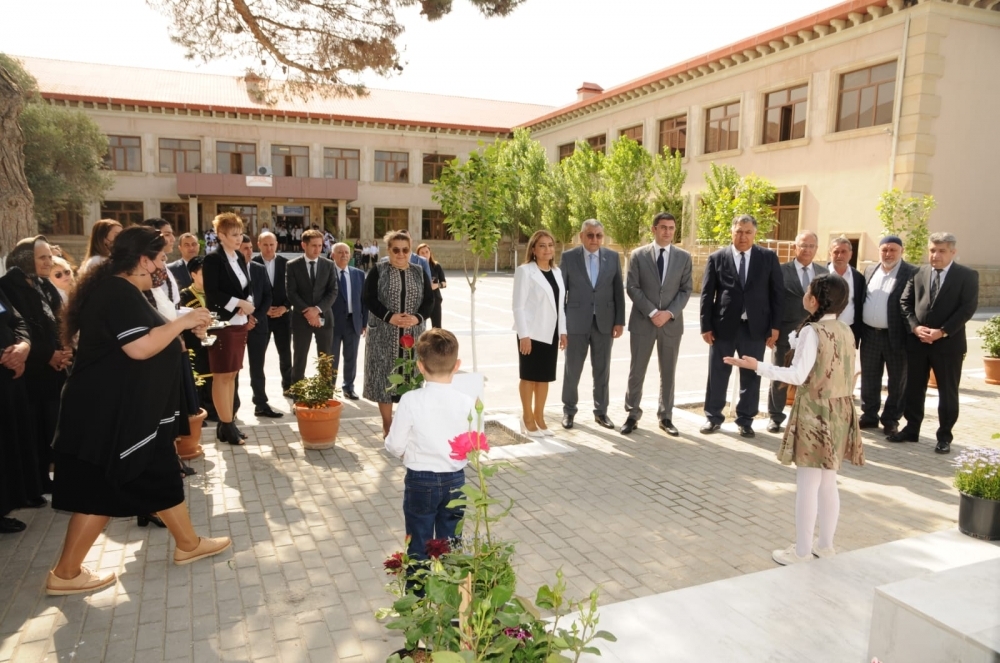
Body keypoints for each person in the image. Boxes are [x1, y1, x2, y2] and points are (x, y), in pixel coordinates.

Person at [47, 226, 229, 596]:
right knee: (104, 489)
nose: (164, 266)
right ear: (143, 260)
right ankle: (65, 574)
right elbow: (139, 348)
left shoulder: (121, 289)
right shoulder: (117, 291)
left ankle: (188, 544)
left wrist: (180, 328)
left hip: (128, 413)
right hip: (110, 415)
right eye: (161, 258)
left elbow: (147, 338)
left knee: (156, 475)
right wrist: (182, 322)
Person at [725, 274, 864, 565]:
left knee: (808, 484)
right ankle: (825, 545)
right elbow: (851, 371)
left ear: (813, 300)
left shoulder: (813, 331)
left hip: (815, 412)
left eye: (808, 290)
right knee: (828, 482)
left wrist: (757, 365)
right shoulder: (845, 329)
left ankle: (801, 552)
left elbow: (798, 375)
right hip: (840, 410)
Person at [384, 329, 475, 562]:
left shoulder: (411, 400)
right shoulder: (467, 402)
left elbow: (394, 444)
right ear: (457, 365)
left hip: (420, 479)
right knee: (451, 543)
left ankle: (419, 584)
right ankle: (450, 582)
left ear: (420, 366)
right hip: (455, 478)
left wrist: (405, 455)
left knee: (418, 543)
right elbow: (474, 442)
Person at [890, 233, 980, 454]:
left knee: (947, 392)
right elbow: (905, 302)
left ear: (952, 252)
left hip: (948, 346)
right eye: (932, 250)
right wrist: (914, 327)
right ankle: (912, 429)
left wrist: (943, 332)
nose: (935, 255)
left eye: (941, 251)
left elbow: (967, 309)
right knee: (913, 389)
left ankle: (944, 436)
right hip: (918, 343)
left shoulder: (967, 276)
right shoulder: (918, 273)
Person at [0, 236, 73, 495]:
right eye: (42, 257)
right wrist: (48, 355)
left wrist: (65, 349)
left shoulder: (44, 284)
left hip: (54, 367)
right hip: (31, 370)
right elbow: (21, 327)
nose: (48, 262)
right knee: (34, 430)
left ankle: (49, 479)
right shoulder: (9, 286)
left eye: (49, 256)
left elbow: (58, 319)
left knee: (52, 425)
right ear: (24, 259)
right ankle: (35, 484)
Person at [700, 214, 783, 437]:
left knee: (751, 375)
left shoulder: (768, 257)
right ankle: (713, 417)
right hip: (723, 328)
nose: (743, 236)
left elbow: (777, 294)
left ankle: (745, 420)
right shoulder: (717, 258)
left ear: (755, 234)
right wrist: (705, 326)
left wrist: (775, 326)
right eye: (739, 231)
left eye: (748, 232)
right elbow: (707, 294)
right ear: (732, 232)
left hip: (755, 328)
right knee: (718, 373)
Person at [621, 212, 693, 437]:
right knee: (637, 371)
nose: (667, 232)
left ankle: (666, 416)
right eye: (663, 227)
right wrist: (653, 312)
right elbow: (632, 287)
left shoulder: (684, 257)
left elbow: (686, 290)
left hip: (671, 324)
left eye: (671, 228)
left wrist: (669, 313)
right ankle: (632, 414)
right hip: (643, 322)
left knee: (668, 371)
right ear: (654, 229)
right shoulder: (638, 255)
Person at [363, 230, 433, 436]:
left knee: (411, 378)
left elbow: (430, 301)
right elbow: (368, 298)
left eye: (405, 250)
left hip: (413, 334)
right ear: (388, 250)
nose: (401, 254)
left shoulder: (419, 271)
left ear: (410, 250)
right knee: (384, 378)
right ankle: (387, 424)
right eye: (396, 250)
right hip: (384, 335)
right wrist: (389, 316)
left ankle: (405, 424)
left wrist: (418, 317)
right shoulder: (379, 270)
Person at [559, 220, 625, 430]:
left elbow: (618, 291)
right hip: (575, 323)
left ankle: (601, 412)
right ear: (581, 236)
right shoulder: (568, 258)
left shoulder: (612, 257)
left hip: (605, 323)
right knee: (572, 370)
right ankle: (569, 411)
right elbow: (561, 294)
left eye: (598, 235)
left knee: (602, 370)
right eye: (590, 235)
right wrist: (562, 326)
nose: (594, 239)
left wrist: (619, 321)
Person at [202, 213, 255, 446]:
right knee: (222, 375)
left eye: (240, 233)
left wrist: (247, 302)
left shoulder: (239, 257)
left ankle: (227, 423)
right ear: (220, 235)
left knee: (232, 374)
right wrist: (238, 304)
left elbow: (246, 287)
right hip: (222, 324)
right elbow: (213, 293)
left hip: (239, 323)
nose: (238, 238)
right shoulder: (213, 260)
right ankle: (226, 425)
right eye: (233, 234)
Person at [767, 231, 828, 434]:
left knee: (812, 376)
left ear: (816, 249)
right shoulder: (780, 270)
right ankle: (775, 417)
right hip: (785, 331)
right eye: (803, 245)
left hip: (814, 333)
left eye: (811, 246)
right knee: (780, 373)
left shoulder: (823, 273)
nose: (807, 249)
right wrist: (772, 328)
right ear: (795, 247)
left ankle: (808, 417)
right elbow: (772, 301)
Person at [859, 236, 917, 436]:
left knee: (897, 380)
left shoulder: (912, 273)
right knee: (869, 377)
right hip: (870, 335)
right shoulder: (869, 270)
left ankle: (891, 419)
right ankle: (869, 415)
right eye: (884, 250)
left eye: (893, 250)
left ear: (901, 251)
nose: (888, 254)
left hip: (897, 337)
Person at [513, 230, 567, 438]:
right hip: (531, 333)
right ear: (533, 250)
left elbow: (560, 306)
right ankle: (527, 418)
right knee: (529, 376)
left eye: (550, 245)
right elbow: (518, 306)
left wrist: (563, 331)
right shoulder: (525, 271)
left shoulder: (557, 272)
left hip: (550, 332)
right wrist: (524, 335)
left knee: (544, 378)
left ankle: (539, 417)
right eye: (542, 246)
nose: (547, 249)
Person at [0, 287, 44, 533]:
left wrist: (23, 347)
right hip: (5, 365)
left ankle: (11, 500)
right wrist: (5, 356)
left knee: (10, 441)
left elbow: (17, 320)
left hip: (10, 377)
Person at [287, 229, 338, 385]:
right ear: (304, 245)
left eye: (320, 245)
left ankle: (326, 392)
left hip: (324, 317)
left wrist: (317, 310)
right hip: (301, 319)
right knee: (299, 356)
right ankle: (297, 392)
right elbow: (291, 293)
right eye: (314, 246)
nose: (317, 249)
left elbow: (333, 291)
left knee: (326, 357)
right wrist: (308, 313)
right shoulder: (292, 265)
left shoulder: (329, 265)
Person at [239, 235, 280, 418]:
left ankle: (261, 404)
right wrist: (244, 319)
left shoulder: (259, 268)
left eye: (250, 248)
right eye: (244, 248)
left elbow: (267, 296)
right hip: (236, 325)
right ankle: (231, 408)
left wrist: (254, 317)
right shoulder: (229, 270)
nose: (249, 252)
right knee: (233, 368)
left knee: (257, 367)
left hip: (258, 325)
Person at [252, 232, 293, 396]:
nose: (269, 248)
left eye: (271, 244)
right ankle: (259, 394)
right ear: (259, 245)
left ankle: (288, 387)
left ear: (276, 244)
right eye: (265, 245)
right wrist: (263, 309)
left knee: (285, 354)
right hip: (261, 318)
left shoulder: (287, 264)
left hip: (283, 317)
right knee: (258, 357)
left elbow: (294, 289)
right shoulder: (252, 265)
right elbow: (249, 291)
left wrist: (285, 307)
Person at [330, 242, 368, 400]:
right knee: (331, 358)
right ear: (332, 255)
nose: (344, 255)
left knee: (351, 357)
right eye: (340, 252)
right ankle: (329, 389)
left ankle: (348, 387)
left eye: (346, 252)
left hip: (353, 323)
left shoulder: (358, 274)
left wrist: (364, 323)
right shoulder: (327, 272)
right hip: (332, 324)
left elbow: (364, 300)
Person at [827, 236, 865, 346]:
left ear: (850, 254)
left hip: (849, 331)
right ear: (830, 254)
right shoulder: (820, 274)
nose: (840, 255)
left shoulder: (858, 278)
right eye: (836, 252)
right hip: (824, 331)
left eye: (844, 252)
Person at [416, 243, 446, 329]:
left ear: (430, 253)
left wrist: (437, 285)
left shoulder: (436, 266)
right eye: (422, 253)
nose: (425, 254)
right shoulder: (416, 267)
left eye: (427, 252)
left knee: (437, 327)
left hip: (435, 300)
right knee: (419, 326)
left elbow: (444, 283)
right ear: (418, 255)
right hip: (421, 301)